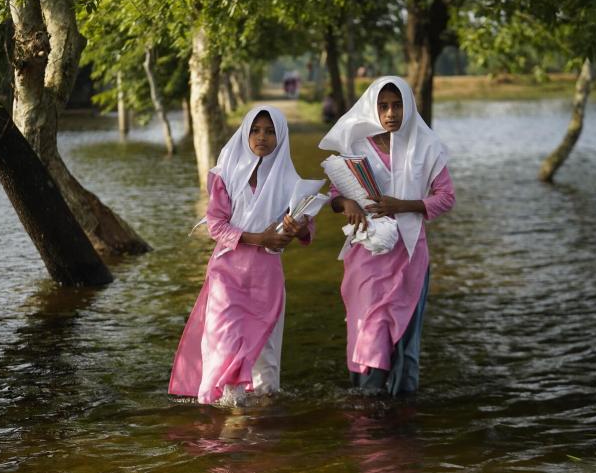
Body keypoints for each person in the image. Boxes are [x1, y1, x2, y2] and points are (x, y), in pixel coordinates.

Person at [318, 76, 455, 396]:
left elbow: (446, 197)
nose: (391, 112)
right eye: (383, 106)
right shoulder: (356, 148)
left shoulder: (426, 147)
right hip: (367, 254)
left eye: (397, 105)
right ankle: (368, 400)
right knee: (367, 327)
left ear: (408, 107)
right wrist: (347, 203)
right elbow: (335, 196)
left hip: (409, 255)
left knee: (406, 334)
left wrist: (402, 205)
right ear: (373, 109)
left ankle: (402, 407)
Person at [169, 105, 313, 405]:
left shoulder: (291, 182)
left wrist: (295, 227)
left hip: (267, 278)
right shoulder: (226, 176)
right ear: (246, 133)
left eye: (271, 131)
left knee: (266, 357)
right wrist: (259, 237)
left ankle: (260, 431)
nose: (262, 137)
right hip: (227, 275)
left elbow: (305, 230)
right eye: (256, 130)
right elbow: (216, 226)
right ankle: (227, 418)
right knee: (225, 344)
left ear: (281, 137)